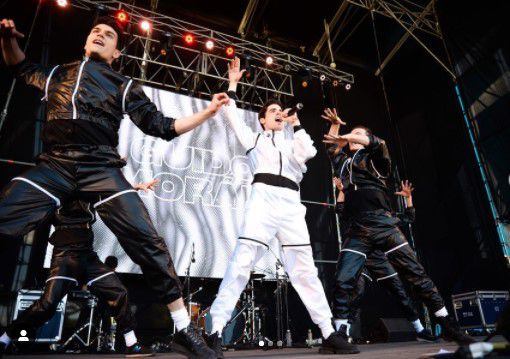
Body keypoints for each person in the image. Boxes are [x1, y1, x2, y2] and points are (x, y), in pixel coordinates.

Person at [0, 17, 225, 358]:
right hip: (55, 164)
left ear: (116, 53)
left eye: (109, 35)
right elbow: (20, 66)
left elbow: (162, 126)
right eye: (96, 31)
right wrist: (6, 40)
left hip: (101, 169)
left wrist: (207, 113)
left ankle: (183, 330)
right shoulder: (58, 74)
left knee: (150, 243)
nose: (101, 35)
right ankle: (8, 336)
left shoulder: (123, 85)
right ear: (86, 42)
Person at [203, 58, 360, 358]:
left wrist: (296, 124)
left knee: (305, 270)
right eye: (271, 112)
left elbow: (310, 151)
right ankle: (215, 331)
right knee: (241, 264)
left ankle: (328, 333)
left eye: (279, 111)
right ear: (261, 120)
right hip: (262, 201)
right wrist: (233, 84)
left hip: (290, 204)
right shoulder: (253, 139)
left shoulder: (292, 143)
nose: (277, 113)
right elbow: (233, 117)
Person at [322, 108, 475, 347]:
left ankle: (447, 325)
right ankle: (341, 332)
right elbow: (332, 147)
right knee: (343, 280)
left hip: (383, 224)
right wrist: (335, 126)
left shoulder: (377, 160)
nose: (352, 135)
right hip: (357, 229)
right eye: (351, 133)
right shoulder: (343, 165)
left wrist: (348, 135)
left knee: (417, 277)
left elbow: (376, 141)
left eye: (357, 133)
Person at [0, 180, 161, 358]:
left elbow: (108, 189)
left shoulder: (90, 188)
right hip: (65, 256)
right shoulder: (60, 188)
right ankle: (6, 338)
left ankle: (132, 344)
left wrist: (135, 187)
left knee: (118, 292)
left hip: (87, 255)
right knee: (47, 305)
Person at [334, 177, 436, 342]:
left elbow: (409, 218)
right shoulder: (356, 213)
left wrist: (408, 197)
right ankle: (343, 333)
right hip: (361, 259)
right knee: (355, 293)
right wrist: (341, 190)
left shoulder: (386, 216)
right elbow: (339, 209)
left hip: (379, 260)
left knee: (400, 292)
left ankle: (420, 330)